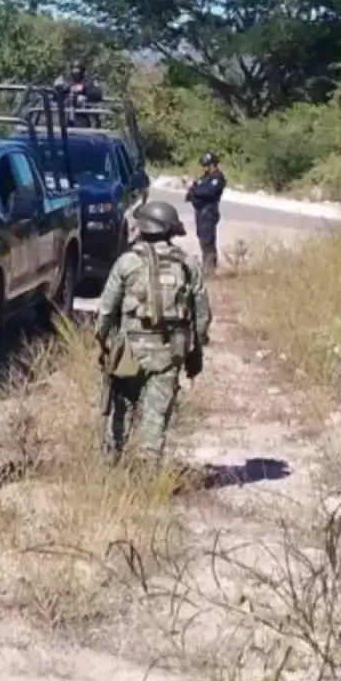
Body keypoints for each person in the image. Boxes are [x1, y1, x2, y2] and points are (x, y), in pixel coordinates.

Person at [93, 201, 212, 467]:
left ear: (144, 227)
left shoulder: (127, 262)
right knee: (156, 417)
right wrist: (195, 349)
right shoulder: (187, 263)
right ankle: (148, 468)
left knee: (120, 409)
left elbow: (105, 310)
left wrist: (102, 342)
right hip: (170, 352)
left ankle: (113, 465)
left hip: (129, 352)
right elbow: (202, 315)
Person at [185, 152, 226, 276]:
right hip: (200, 212)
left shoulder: (217, 179)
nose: (204, 168)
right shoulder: (206, 177)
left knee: (208, 242)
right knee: (202, 240)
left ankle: (210, 271)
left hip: (208, 212)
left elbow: (207, 192)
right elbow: (196, 188)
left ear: (213, 165)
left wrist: (193, 189)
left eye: (207, 165)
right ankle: (206, 269)